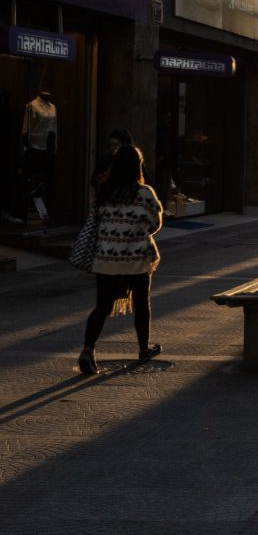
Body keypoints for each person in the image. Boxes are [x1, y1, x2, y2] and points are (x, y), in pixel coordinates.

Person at [78, 145, 163, 374]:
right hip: (137, 259)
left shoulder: (104, 192)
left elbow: (95, 221)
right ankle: (144, 348)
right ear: (138, 166)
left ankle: (88, 349)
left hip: (106, 259)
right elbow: (155, 224)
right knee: (141, 303)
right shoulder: (144, 193)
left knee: (102, 306)